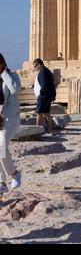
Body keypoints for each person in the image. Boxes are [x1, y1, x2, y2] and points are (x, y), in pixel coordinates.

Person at [0, 53, 22, 194]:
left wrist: (3, 74)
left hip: (10, 117)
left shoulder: (11, 76)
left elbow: (15, 89)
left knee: (1, 146)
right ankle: (1, 183)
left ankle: (14, 174)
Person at [33, 59, 56, 134]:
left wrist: (41, 95)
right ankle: (49, 130)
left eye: (35, 66)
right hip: (46, 96)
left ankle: (36, 131)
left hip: (43, 96)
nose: (35, 68)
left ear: (39, 64)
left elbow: (44, 85)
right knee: (46, 113)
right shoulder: (45, 70)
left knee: (39, 113)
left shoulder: (43, 72)